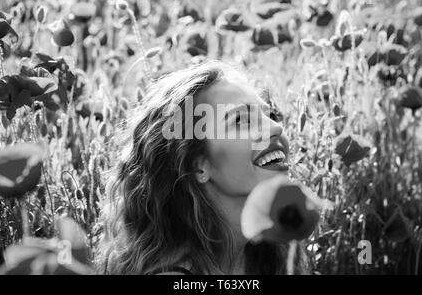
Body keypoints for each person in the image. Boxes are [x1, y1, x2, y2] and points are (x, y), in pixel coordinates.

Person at [95, 60, 309, 275]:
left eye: (270, 115)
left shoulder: (267, 254)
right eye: (241, 120)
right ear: (198, 165)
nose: (275, 127)